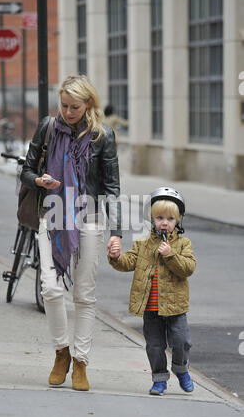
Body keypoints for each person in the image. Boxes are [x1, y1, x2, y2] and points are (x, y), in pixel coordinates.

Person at [20, 75, 122, 391]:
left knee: (84, 295)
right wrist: (39, 181)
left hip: (89, 217)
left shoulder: (103, 137)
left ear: (88, 103)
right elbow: (26, 170)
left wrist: (116, 231)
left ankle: (81, 362)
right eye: (63, 105)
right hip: (51, 214)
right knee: (50, 288)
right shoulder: (49, 127)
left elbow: (111, 187)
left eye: (74, 106)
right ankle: (61, 352)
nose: (68, 111)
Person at [107, 187, 196, 396]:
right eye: (159, 217)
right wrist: (116, 257)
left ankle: (181, 369)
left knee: (182, 341)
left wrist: (170, 254)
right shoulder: (143, 244)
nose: (164, 222)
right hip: (150, 307)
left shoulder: (183, 244)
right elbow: (128, 263)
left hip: (175, 308)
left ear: (178, 221)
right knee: (155, 346)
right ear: (152, 219)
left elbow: (188, 268)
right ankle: (159, 380)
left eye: (170, 218)